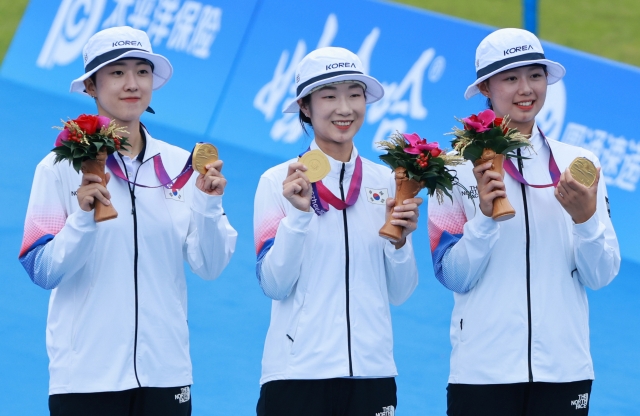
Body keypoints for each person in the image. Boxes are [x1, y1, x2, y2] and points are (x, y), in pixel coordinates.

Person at [18, 26, 237, 416]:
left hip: (166, 375)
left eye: (142, 71)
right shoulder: (59, 168)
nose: (132, 84)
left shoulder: (182, 165)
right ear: (91, 86)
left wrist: (208, 204)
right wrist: (82, 221)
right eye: (117, 73)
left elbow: (210, 265)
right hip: (86, 377)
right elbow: (41, 270)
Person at [428, 28, 620, 416]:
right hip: (482, 373)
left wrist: (585, 221)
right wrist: (484, 218)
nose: (525, 89)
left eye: (534, 75)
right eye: (510, 78)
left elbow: (601, 276)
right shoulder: (452, 170)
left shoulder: (579, 164)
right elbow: (452, 276)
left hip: (564, 370)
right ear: (485, 87)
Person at [253, 47, 421, 416]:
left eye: (354, 94)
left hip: (373, 374)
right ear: (305, 107)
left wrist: (400, 244)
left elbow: (401, 292)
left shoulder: (388, 181)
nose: (345, 108)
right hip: (297, 374)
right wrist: (298, 218)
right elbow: (273, 284)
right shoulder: (278, 181)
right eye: (329, 96)